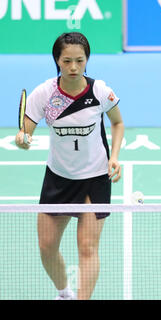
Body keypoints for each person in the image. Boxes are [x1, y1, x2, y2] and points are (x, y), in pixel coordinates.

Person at [15, 32, 124, 300]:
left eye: (79, 60)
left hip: (94, 178)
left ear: (87, 60)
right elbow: (26, 131)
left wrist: (114, 156)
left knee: (87, 248)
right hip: (58, 178)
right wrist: (23, 140)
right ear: (57, 61)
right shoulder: (45, 93)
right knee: (46, 247)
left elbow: (118, 123)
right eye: (67, 61)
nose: (74, 67)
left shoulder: (99, 91)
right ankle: (64, 294)